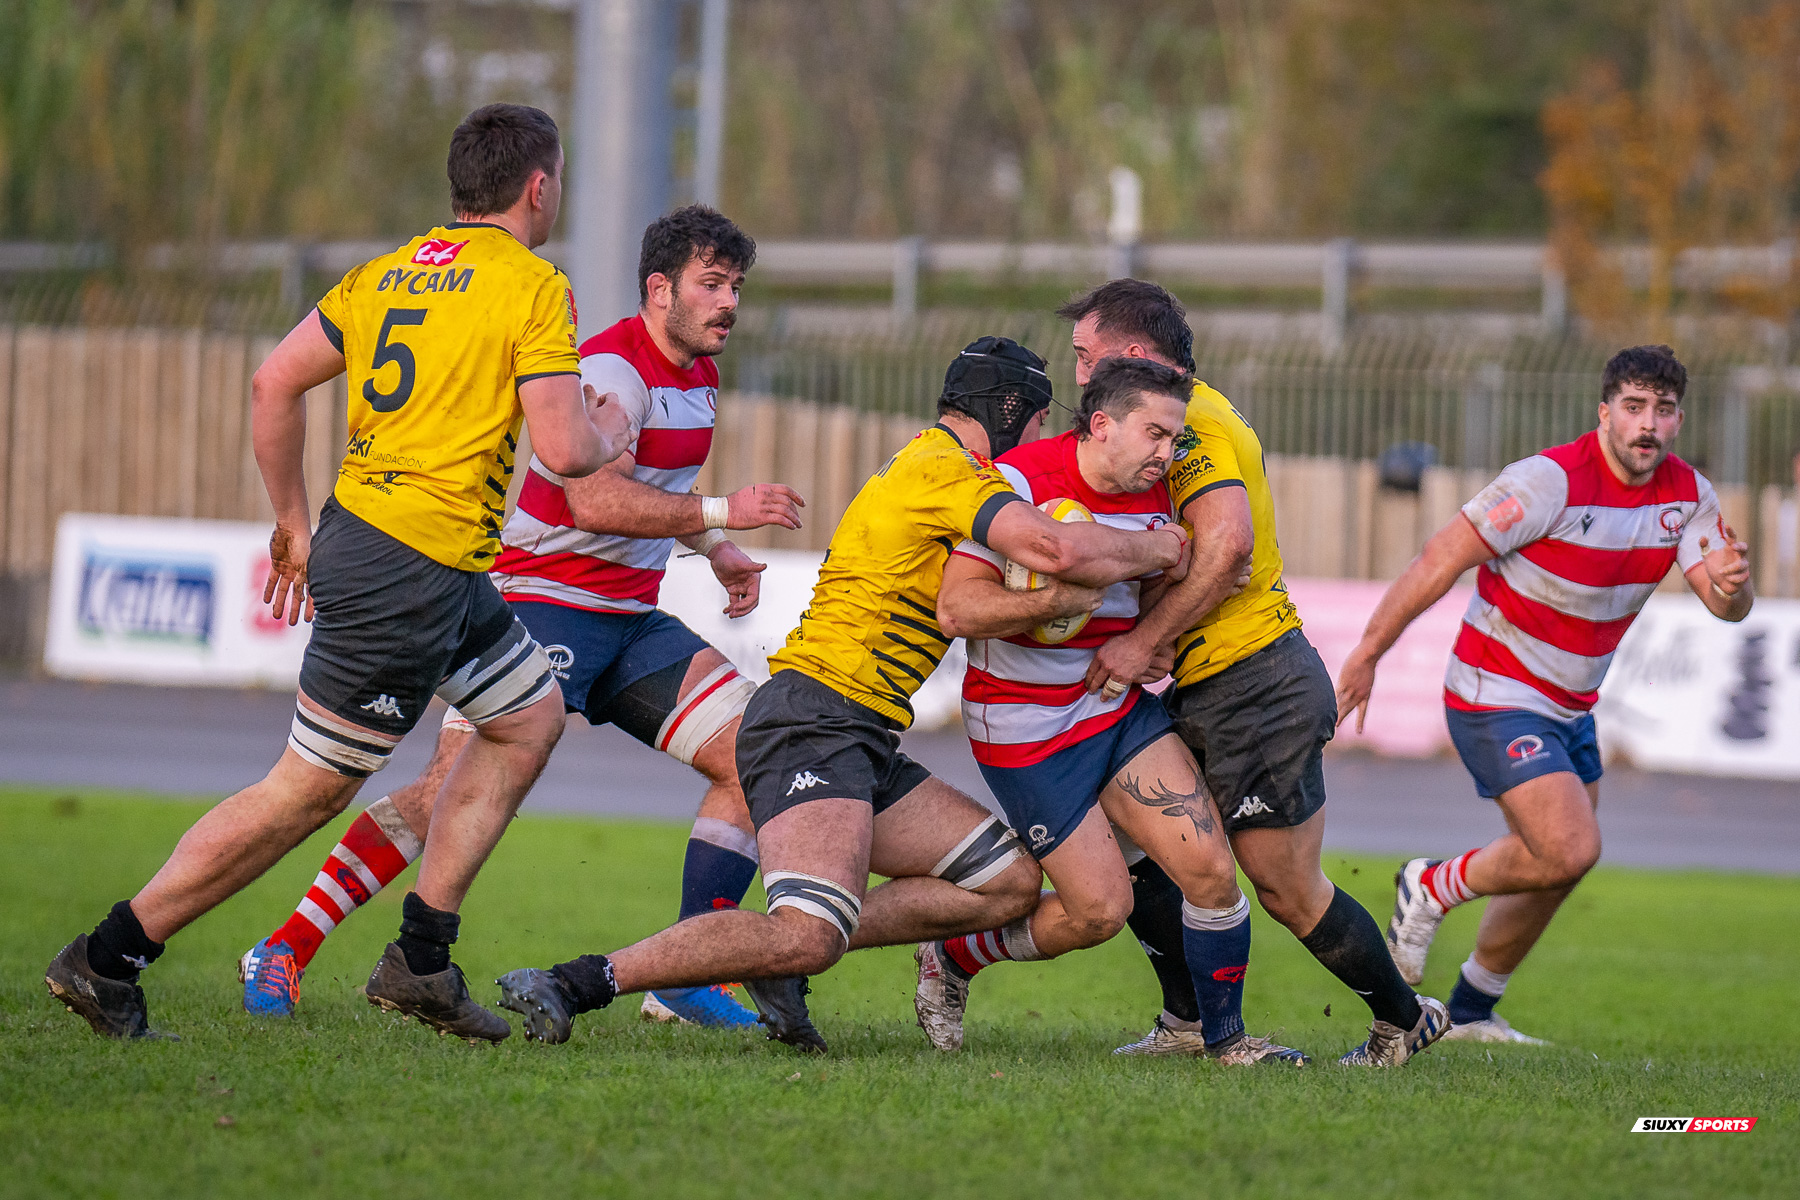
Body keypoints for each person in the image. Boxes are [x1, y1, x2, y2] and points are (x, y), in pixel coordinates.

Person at [45, 103, 635, 1041]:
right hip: (407, 570)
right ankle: (108, 957)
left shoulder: (388, 270)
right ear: (540, 186)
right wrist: (612, 426)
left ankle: (420, 960)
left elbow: (272, 381)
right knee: (308, 790)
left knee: (528, 718)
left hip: (411, 558)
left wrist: (291, 520)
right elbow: (564, 451)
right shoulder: (533, 285)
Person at [491, 336, 1191, 1054]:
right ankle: (574, 982)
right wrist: (1159, 549)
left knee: (1007, 883)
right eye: (1041, 420)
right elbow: (1055, 549)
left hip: (860, 731)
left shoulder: (936, 467)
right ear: (1009, 409)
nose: (1042, 440)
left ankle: (778, 960)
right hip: (814, 718)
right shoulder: (949, 470)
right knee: (806, 932)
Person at [239, 206, 801, 1030]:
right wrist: (728, 509)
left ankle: (686, 969)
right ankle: (284, 946)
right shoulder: (612, 367)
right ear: (659, 289)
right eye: (711, 285)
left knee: (756, 752)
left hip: (629, 620)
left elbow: (665, 492)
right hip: (543, 605)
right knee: (441, 797)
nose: (729, 304)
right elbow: (592, 495)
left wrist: (714, 548)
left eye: (736, 287)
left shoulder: (699, 376)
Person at [1040, 279, 1448, 1066]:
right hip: (1217, 682)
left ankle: (1405, 1020)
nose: (1079, 372)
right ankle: (1190, 1024)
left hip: (1256, 683)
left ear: (1130, 354)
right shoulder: (1164, 421)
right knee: (1137, 836)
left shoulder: (1192, 423)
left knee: (1288, 889)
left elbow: (1227, 550)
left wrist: (1141, 641)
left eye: (1086, 356)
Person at [1337, 343, 1752, 1043]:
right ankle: (1431, 886)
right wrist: (1369, 653)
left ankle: (1469, 1012)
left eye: (1664, 409)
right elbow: (1440, 560)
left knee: (1557, 865)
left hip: (1571, 707)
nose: (1649, 424)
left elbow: (1723, 602)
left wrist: (1736, 591)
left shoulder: (1687, 496)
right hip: (1493, 691)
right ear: (1604, 412)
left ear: (1679, 416)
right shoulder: (1548, 481)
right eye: (1634, 407)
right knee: (1566, 846)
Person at [912, 356, 1307, 1065]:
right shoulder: (1018, 482)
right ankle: (955, 955)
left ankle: (1227, 1043)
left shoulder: (1161, 501)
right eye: (1156, 434)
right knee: (1099, 913)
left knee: (1211, 871)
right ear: (1102, 426)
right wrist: (1056, 600)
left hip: (1111, 707)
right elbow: (957, 607)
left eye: (1175, 436)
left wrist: (1171, 610)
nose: (1168, 452)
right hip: (1024, 726)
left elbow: (1148, 609)